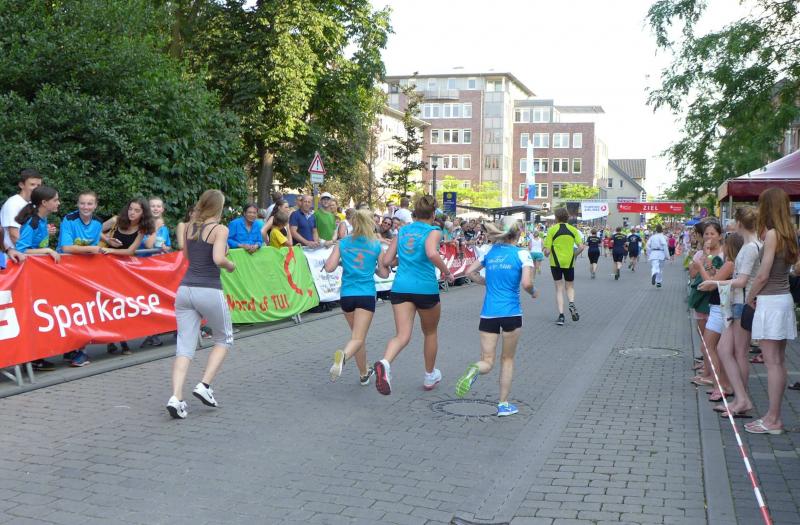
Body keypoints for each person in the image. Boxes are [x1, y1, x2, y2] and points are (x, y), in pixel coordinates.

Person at [373, 195, 454, 395]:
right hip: (425, 288)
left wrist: (403, 258)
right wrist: (446, 272)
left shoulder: (402, 231)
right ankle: (429, 375)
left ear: (415, 212)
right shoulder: (433, 231)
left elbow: (388, 260)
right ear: (433, 214)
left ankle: (385, 362)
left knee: (402, 335)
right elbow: (431, 253)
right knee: (430, 332)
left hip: (401, 288)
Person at [167, 189, 236, 420]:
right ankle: (204, 385)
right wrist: (230, 265)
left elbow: (187, 257)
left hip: (185, 289)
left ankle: (176, 397)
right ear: (219, 207)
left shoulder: (189, 227)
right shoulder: (220, 229)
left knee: (184, 346)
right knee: (224, 338)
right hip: (208, 288)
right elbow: (218, 259)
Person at [456, 222, 537, 416]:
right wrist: (533, 292)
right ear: (518, 235)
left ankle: (475, 369)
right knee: (507, 359)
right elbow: (527, 283)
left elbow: (469, 272)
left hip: (488, 314)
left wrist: (487, 282)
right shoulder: (522, 253)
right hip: (511, 313)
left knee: (487, 360)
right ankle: (503, 405)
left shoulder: (489, 252)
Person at [742, 188, 798, 434]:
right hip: (783, 299)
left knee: (772, 362)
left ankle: (773, 419)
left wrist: (750, 295)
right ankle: (772, 416)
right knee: (778, 361)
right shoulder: (790, 233)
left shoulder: (773, 234)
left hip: (771, 300)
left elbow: (763, 274)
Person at [699, 208, 760, 417]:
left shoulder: (750, 247)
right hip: (737, 303)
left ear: (740, 223)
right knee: (725, 350)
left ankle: (741, 398)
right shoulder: (752, 246)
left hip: (741, 303)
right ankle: (739, 397)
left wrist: (716, 283)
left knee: (738, 353)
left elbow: (742, 281)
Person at [326, 209, 390, 385]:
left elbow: (329, 267)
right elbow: (384, 274)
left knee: (357, 336)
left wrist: (342, 262)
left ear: (353, 222)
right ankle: (343, 356)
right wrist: (373, 269)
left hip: (347, 295)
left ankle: (363, 373)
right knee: (358, 338)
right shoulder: (375, 245)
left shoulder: (342, 243)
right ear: (371, 223)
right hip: (366, 294)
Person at [101, 197, 156, 354]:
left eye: (137, 210)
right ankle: (118, 341)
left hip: (123, 271)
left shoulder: (141, 229)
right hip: (105, 268)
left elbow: (130, 251)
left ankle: (117, 339)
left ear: (143, 213)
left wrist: (111, 250)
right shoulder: (116, 220)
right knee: (108, 304)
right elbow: (94, 230)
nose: (132, 213)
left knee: (120, 305)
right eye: (131, 209)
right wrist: (107, 240)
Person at [57, 190, 105, 367]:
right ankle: (72, 348)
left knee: (83, 310)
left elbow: (94, 249)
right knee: (69, 311)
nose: (86, 207)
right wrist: (92, 249)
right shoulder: (69, 219)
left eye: (89, 203)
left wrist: (94, 251)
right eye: (82, 203)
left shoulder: (98, 222)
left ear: (95, 205)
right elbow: (66, 247)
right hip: (65, 271)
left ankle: (80, 351)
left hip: (85, 272)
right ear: (77, 204)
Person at [691, 220, 734, 400]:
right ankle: (720, 384)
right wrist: (705, 259)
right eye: (706, 234)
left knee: (716, 348)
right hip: (715, 304)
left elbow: (710, 282)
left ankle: (722, 385)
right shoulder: (712, 255)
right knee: (711, 347)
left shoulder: (729, 260)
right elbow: (708, 275)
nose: (709, 237)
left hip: (722, 306)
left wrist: (701, 265)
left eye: (712, 234)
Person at [543, 207, 584, 326]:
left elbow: (547, 251)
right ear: (567, 217)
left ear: (556, 218)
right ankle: (571, 303)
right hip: (569, 262)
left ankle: (561, 316)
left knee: (559, 288)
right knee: (569, 287)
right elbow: (581, 247)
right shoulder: (573, 230)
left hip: (555, 263)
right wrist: (573, 255)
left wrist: (545, 253)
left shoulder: (552, 230)